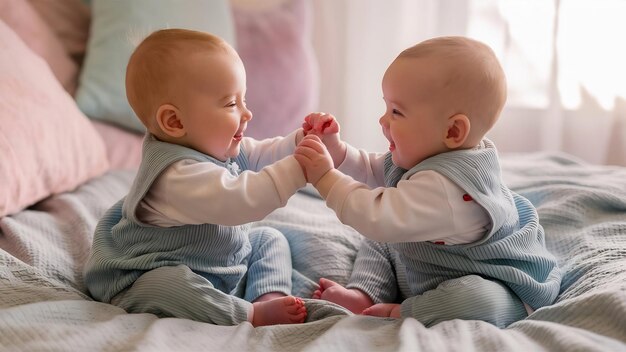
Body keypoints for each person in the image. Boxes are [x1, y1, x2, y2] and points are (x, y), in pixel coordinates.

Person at [294, 36, 561, 328]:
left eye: (397, 112)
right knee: (382, 240)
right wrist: (336, 150)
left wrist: (325, 179)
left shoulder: (449, 192)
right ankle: (364, 293)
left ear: (453, 131)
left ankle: (404, 311)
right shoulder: (432, 154)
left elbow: (376, 216)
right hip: (435, 261)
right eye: (386, 108)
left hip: (490, 277)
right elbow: (374, 171)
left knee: (477, 298)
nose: (383, 121)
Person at [83, 29, 309, 327]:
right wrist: (299, 169)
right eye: (231, 104)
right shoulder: (175, 178)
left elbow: (259, 154)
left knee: (269, 238)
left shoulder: (213, 145)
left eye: (244, 100)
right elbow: (240, 201)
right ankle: (249, 314)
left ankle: (266, 295)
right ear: (175, 122)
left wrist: (300, 142)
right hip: (146, 272)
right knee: (168, 284)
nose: (247, 113)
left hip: (213, 262)